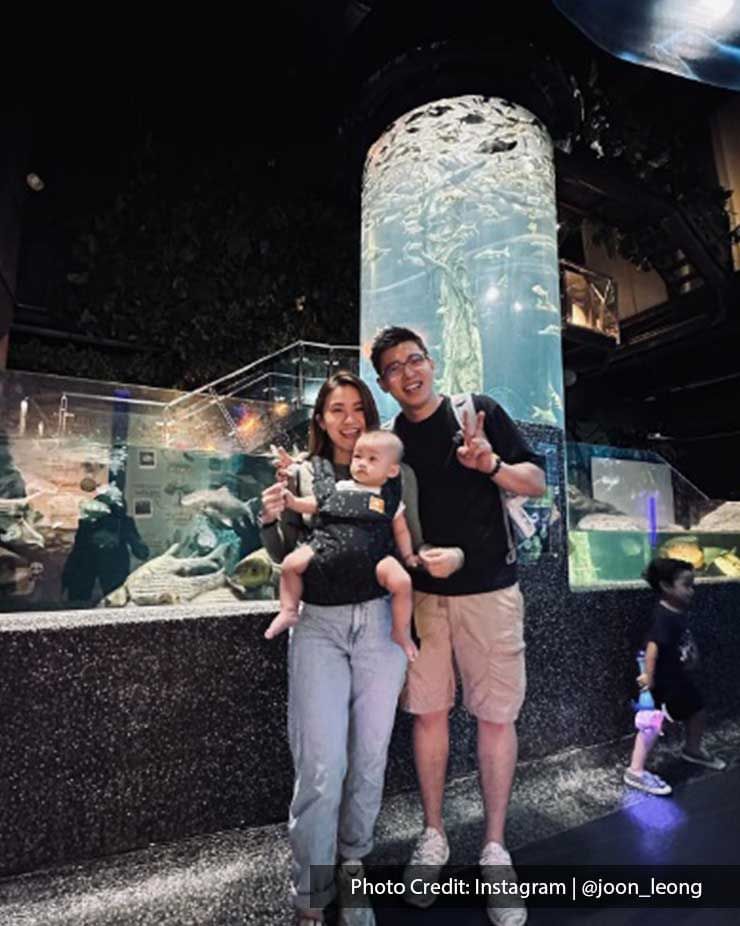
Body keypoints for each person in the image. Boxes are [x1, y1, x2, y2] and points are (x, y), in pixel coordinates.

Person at [259, 370, 463, 926]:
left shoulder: (401, 476)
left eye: (358, 409)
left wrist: (447, 559)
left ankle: (353, 866)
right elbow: (283, 551)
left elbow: (413, 544)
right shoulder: (303, 472)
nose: (349, 419)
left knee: (370, 758)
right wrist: (270, 516)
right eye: (336, 410)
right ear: (321, 420)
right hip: (319, 626)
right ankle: (310, 893)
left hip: (379, 625)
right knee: (321, 765)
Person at [370, 326, 546, 926]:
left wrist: (490, 462)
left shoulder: (480, 413)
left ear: (431, 362)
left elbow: (537, 481)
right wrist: (414, 562)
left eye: (414, 359)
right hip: (421, 601)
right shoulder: (387, 443)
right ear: (383, 382)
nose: (408, 372)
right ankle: (435, 835)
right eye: (393, 367)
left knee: (496, 716)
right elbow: (380, 525)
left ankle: (495, 850)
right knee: (428, 714)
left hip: (490, 595)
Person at [263, 429, 419, 661]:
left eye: (372, 459)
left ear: (392, 470)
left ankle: (400, 631)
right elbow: (316, 504)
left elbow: (401, 529)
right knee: (290, 564)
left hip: (374, 556)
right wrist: (293, 502)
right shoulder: (340, 487)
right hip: (326, 545)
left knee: (402, 582)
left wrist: (408, 556)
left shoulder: (389, 501)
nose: (362, 464)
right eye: (358, 457)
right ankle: (288, 609)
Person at [624, 557, 726, 796]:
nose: (692, 590)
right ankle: (635, 770)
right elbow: (651, 648)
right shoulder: (662, 616)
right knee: (651, 723)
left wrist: (691, 656)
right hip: (659, 680)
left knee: (697, 709)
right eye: (687, 585)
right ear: (666, 587)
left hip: (675, 677)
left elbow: (681, 640)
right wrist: (648, 678)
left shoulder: (677, 610)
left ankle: (692, 749)